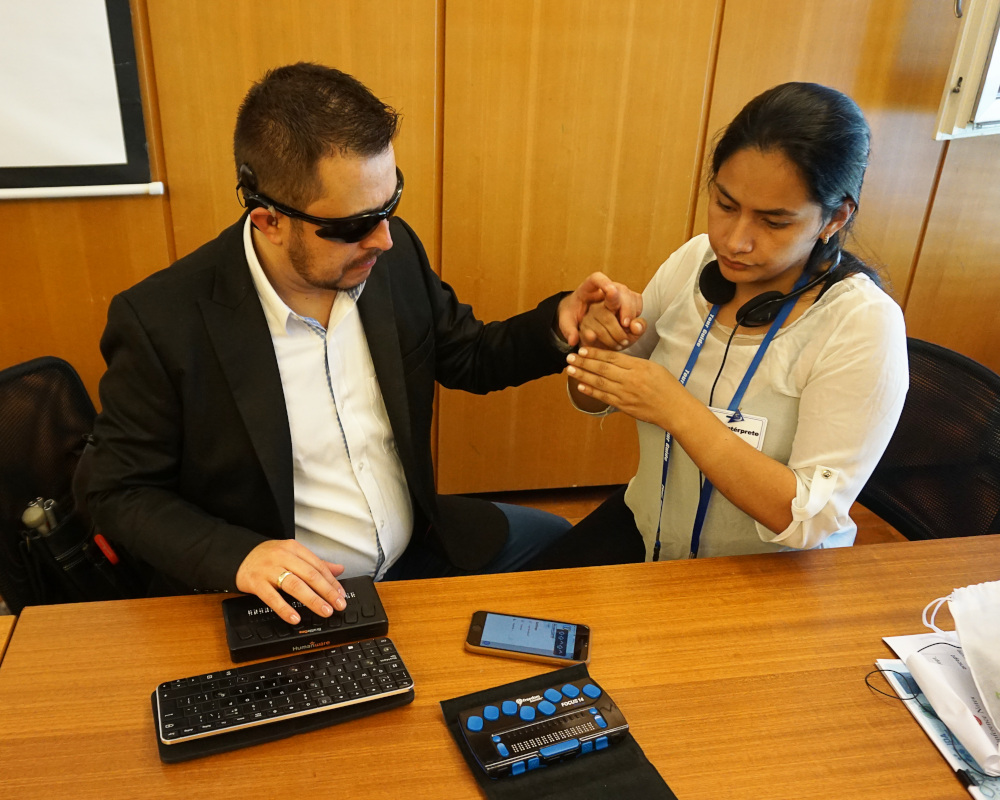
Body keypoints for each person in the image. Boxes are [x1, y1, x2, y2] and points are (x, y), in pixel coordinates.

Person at [85, 62, 640, 624]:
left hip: (416, 547)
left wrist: (559, 321)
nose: (385, 237)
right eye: (354, 225)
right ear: (268, 219)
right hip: (293, 601)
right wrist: (241, 556)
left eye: (391, 203)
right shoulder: (163, 321)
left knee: (561, 542)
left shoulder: (386, 262)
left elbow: (470, 355)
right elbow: (117, 491)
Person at [545, 82, 908, 564]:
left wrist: (678, 409)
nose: (735, 241)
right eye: (725, 204)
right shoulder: (697, 261)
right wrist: (599, 347)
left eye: (774, 222)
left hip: (767, 573)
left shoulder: (862, 324)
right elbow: (590, 397)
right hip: (647, 530)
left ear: (834, 218)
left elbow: (808, 519)